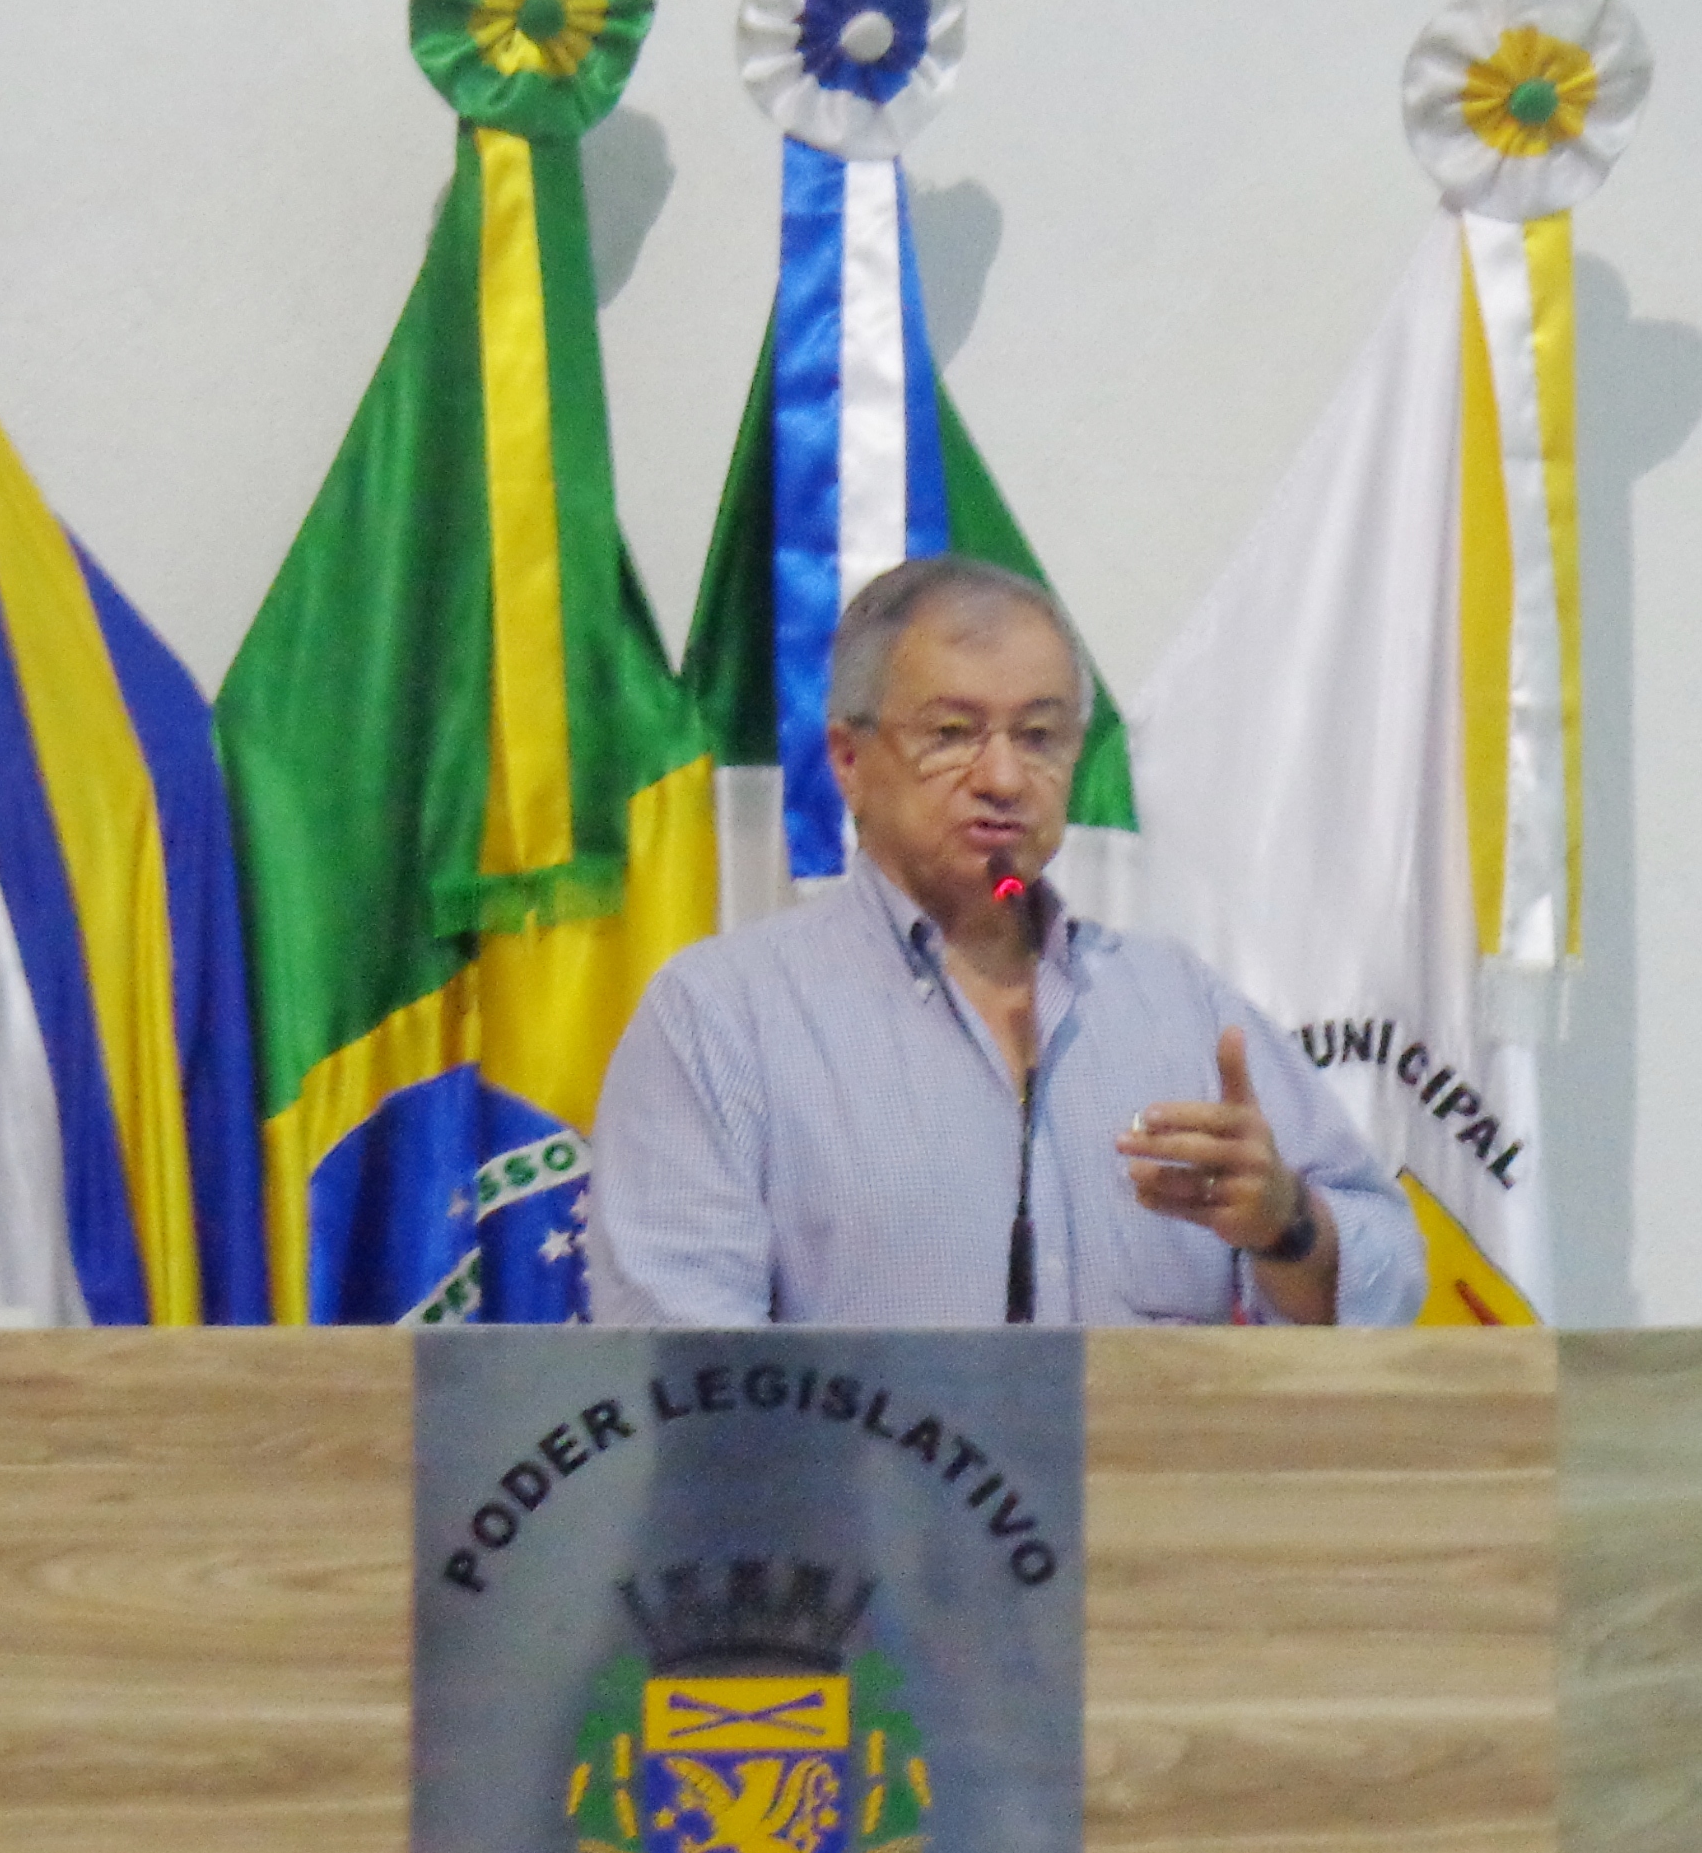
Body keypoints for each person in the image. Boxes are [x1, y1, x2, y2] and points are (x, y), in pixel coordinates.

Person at [587, 554, 1421, 1326]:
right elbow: (681, 1364)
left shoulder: (1176, 1004)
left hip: (1153, 1447)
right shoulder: (723, 1020)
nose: (1003, 779)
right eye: (952, 734)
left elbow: (1391, 1280)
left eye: (1039, 737)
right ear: (848, 760)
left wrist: (1287, 1226)